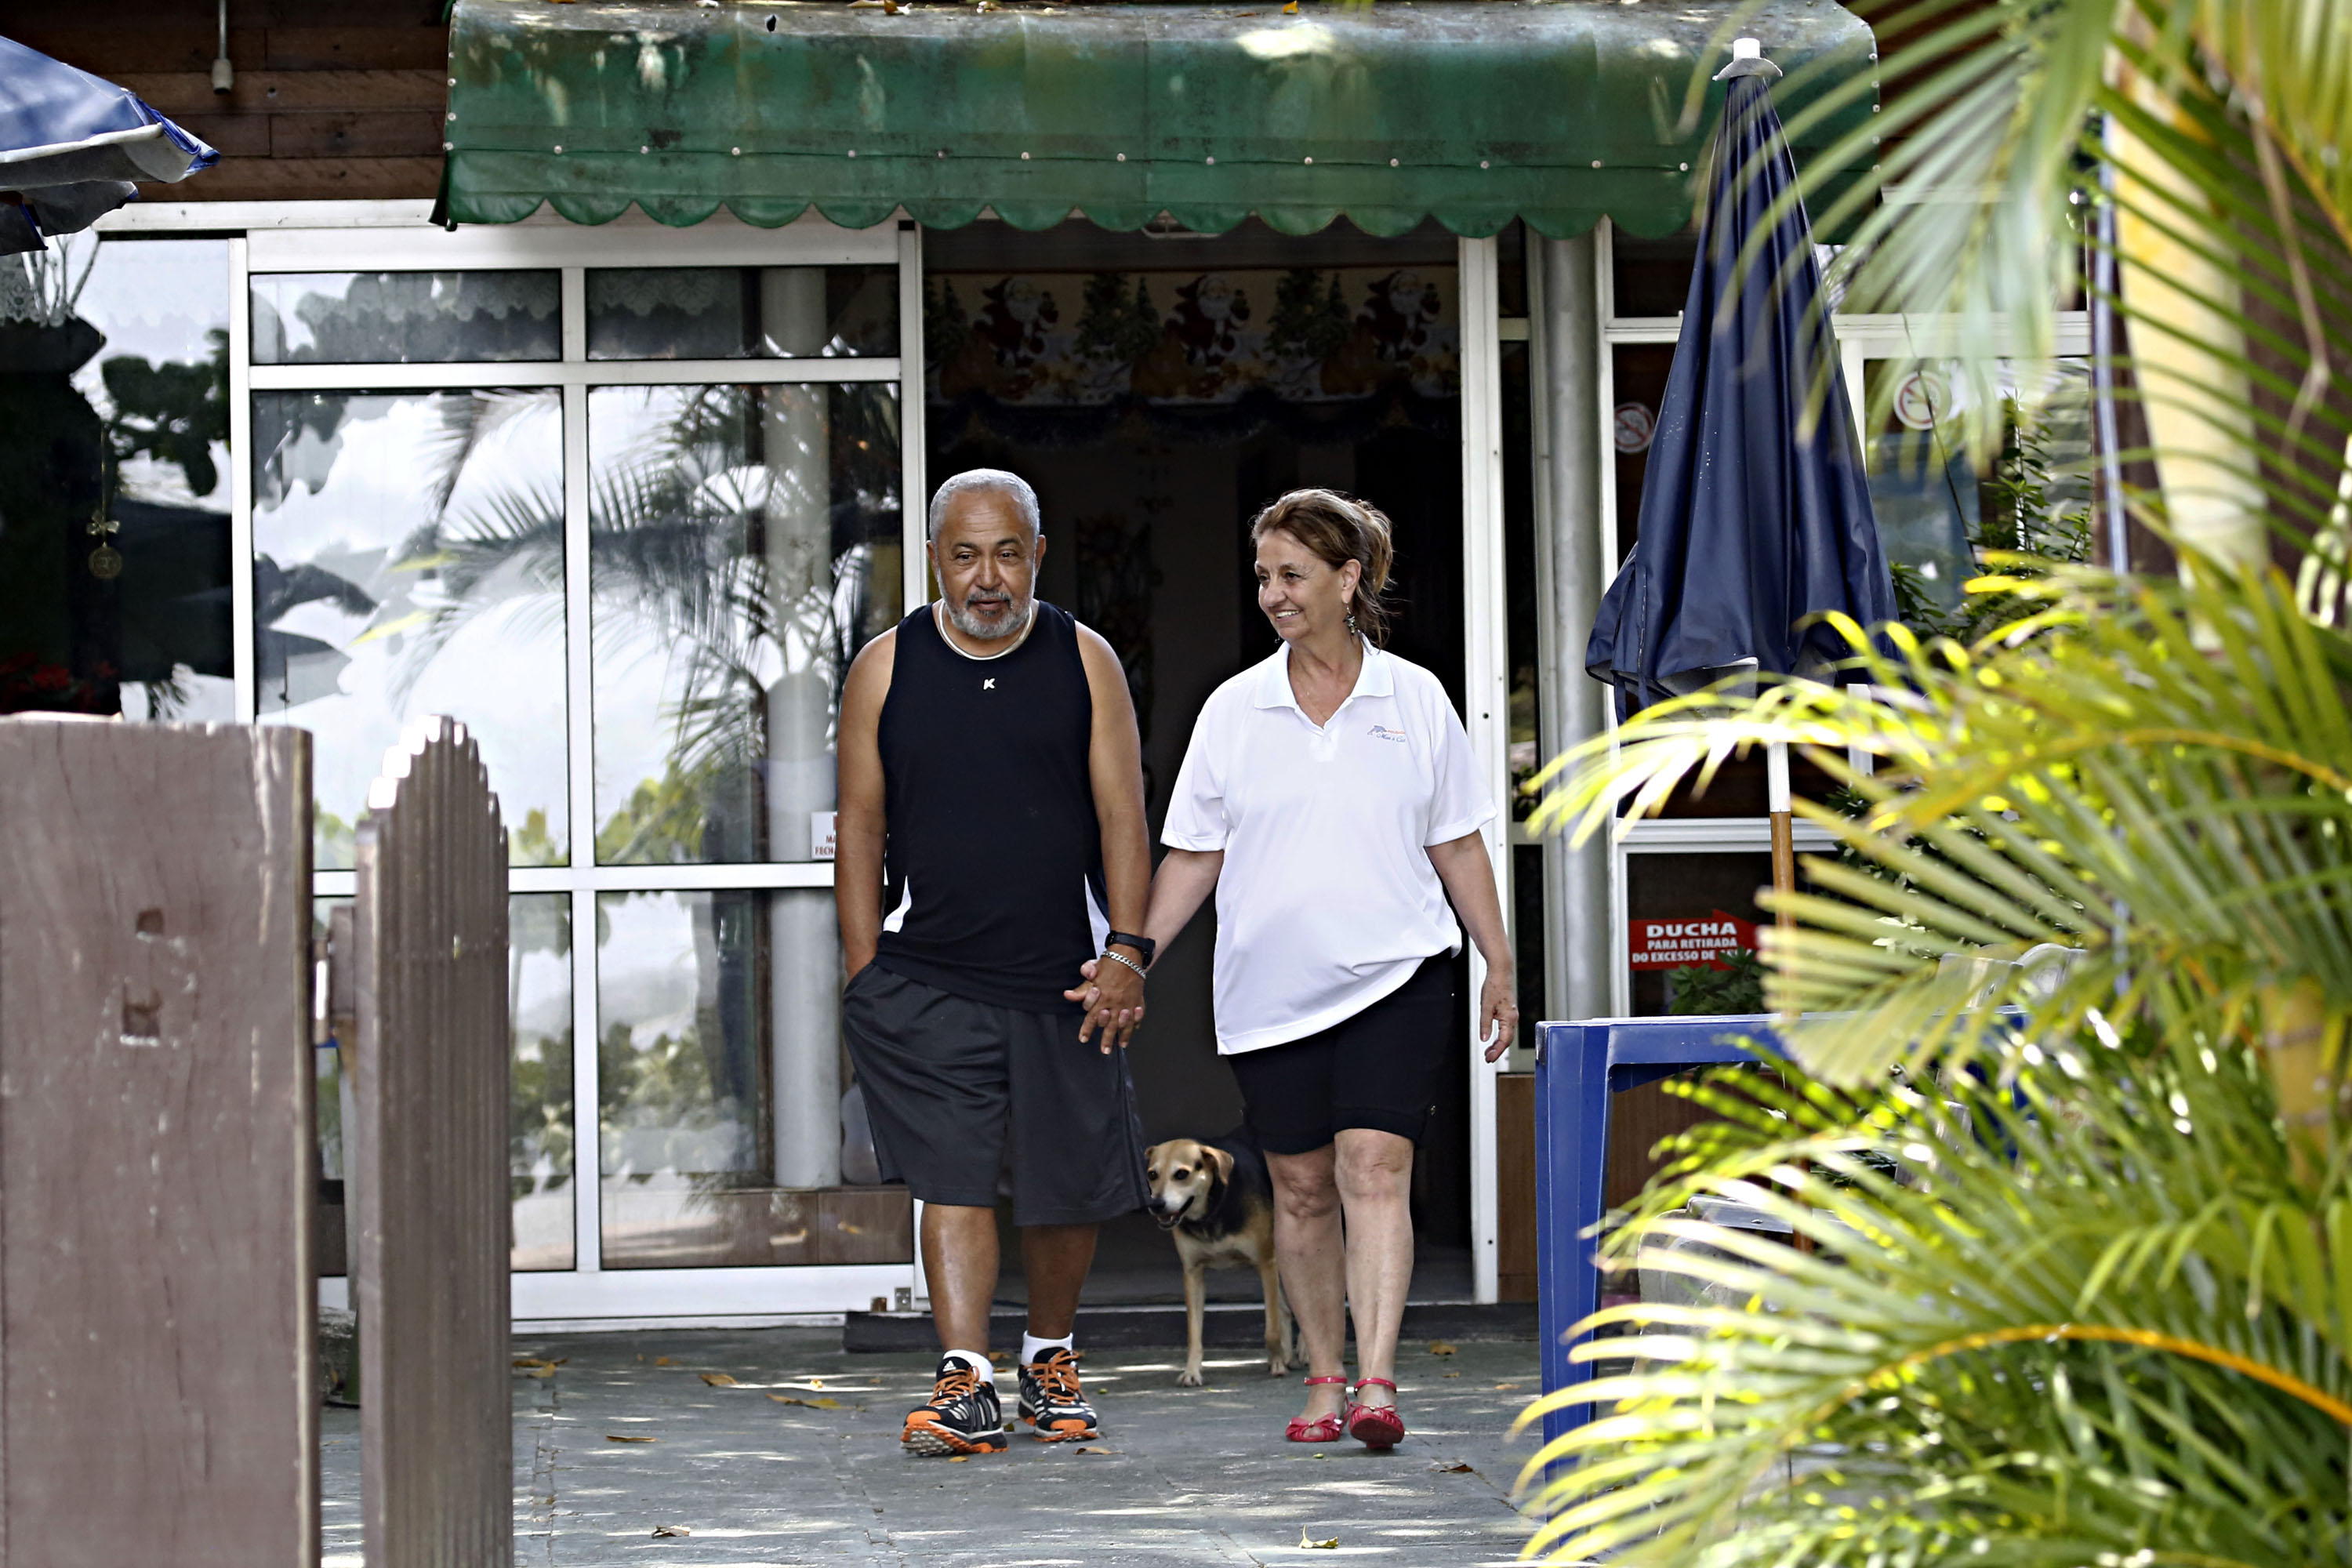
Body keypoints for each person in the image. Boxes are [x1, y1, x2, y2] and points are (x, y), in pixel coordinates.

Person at [1071, 488, 1517, 1450]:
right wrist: (1131, 956)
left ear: (1349, 579)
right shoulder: (1237, 710)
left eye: (1293, 575)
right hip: (1269, 995)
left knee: (1372, 1167)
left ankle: (1378, 1381)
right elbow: (1192, 854)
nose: (1273, 593)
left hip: (1400, 973)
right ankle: (1323, 1373)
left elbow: (1460, 842)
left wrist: (1500, 957)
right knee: (1305, 1187)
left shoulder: (1416, 699)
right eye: (1265, 575)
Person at [835, 468, 1157, 1457]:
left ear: (1038, 556)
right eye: (966, 554)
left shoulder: (1083, 658)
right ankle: (967, 1375)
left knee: (1066, 1186)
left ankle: (1049, 1359)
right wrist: (861, 968)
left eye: (1007, 552)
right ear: (935, 557)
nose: (988, 577)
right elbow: (859, 823)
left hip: (1066, 976)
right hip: (929, 976)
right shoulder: (885, 667)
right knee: (957, 1175)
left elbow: (1122, 816)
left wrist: (1129, 952)